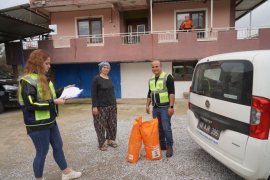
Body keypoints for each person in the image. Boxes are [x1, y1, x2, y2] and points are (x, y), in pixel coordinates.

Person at [18, 49, 82, 180]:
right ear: (38, 63)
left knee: (58, 145)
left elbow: (50, 96)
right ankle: (38, 178)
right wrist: (54, 102)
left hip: (50, 120)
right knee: (42, 152)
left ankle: (66, 172)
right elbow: (30, 104)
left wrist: (64, 90)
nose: (49, 66)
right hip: (37, 124)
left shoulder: (44, 79)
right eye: (47, 63)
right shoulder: (27, 81)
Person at [146, 60, 175, 158]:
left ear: (161, 67)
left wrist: (171, 107)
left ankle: (169, 146)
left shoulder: (168, 77)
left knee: (166, 127)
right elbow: (150, 93)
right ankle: (162, 145)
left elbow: (172, 93)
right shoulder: (151, 79)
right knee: (158, 128)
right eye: (153, 67)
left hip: (165, 107)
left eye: (156, 66)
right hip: (155, 108)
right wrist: (147, 105)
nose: (154, 68)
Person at [91, 61, 118, 151]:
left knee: (112, 124)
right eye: (104, 67)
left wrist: (114, 104)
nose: (106, 69)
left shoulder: (109, 78)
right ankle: (102, 143)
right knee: (100, 125)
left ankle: (110, 140)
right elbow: (94, 94)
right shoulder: (96, 79)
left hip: (112, 105)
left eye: (107, 67)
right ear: (101, 69)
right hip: (101, 106)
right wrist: (94, 106)